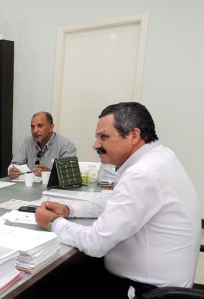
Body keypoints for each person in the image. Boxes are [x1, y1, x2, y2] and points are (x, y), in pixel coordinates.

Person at [35, 102, 201, 298]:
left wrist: (53, 223)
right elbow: (115, 202)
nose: (95, 145)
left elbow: (95, 243)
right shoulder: (159, 157)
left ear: (134, 135)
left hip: (148, 291)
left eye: (103, 137)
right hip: (163, 282)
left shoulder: (142, 174)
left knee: (57, 286)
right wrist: (69, 209)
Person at [8, 111, 77, 178]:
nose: (35, 130)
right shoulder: (28, 142)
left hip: (53, 188)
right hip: (31, 186)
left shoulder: (66, 145)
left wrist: (49, 173)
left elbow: (68, 176)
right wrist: (12, 170)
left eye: (40, 126)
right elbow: (15, 164)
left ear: (51, 127)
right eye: (32, 127)